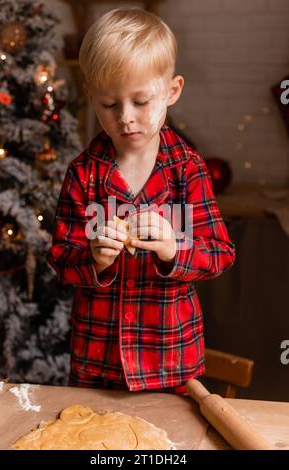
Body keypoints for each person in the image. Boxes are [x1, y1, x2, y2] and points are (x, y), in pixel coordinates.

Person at [47, 7, 235, 395]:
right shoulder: (83, 174)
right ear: (90, 98)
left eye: (140, 102)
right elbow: (61, 260)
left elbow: (220, 253)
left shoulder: (188, 170)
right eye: (110, 105)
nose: (126, 118)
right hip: (96, 361)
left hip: (171, 361)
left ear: (172, 91)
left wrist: (172, 248)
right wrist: (93, 259)